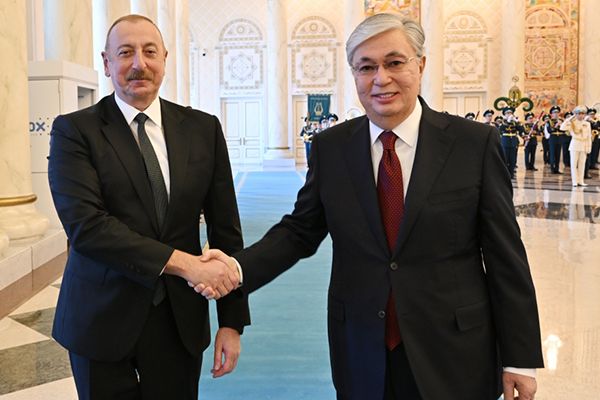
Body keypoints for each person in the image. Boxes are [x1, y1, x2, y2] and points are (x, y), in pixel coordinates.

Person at [198, 13, 543, 400]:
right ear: (354, 74)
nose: (381, 78)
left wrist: (520, 358)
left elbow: (505, 255)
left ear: (420, 65)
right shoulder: (332, 148)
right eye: (366, 67)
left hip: (454, 351)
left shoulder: (473, 144)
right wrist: (237, 269)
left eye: (394, 62)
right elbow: (299, 232)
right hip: (361, 347)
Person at [47, 14, 249, 400]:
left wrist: (232, 322)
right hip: (100, 318)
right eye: (125, 52)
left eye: (150, 51)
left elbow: (226, 229)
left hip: (178, 320)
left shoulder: (203, 129)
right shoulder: (75, 131)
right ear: (107, 63)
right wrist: (185, 263)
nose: (139, 63)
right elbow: (88, 228)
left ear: (165, 59)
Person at [560, 105, 592, 187]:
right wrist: (570, 118)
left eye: (582, 114)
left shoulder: (587, 124)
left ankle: (581, 181)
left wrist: (589, 147)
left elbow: (589, 136)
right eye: (579, 114)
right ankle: (574, 181)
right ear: (576, 114)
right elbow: (562, 128)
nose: (581, 115)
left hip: (584, 145)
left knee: (582, 164)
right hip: (575, 144)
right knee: (573, 164)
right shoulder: (572, 123)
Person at [499, 106, 524, 179]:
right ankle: (505, 174)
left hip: (513, 142)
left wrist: (517, 122)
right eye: (507, 113)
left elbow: (521, 130)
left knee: (512, 159)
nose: (509, 114)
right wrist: (508, 121)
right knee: (505, 158)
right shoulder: (502, 122)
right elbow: (500, 129)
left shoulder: (514, 122)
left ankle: (511, 174)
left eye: (511, 113)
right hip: (505, 142)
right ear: (504, 114)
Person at [545, 105, 563, 173]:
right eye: (554, 112)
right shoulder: (549, 122)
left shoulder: (561, 121)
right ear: (551, 114)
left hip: (560, 138)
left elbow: (564, 130)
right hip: (553, 138)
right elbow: (549, 130)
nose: (556, 114)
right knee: (552, 154)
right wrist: (556, 126)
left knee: (558, 154)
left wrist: (561, 126)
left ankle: (557, 169)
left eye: (557, 112)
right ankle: (552, 168)